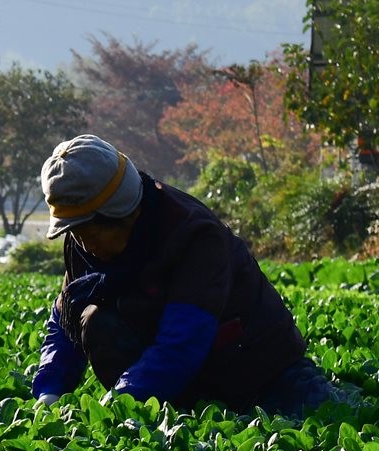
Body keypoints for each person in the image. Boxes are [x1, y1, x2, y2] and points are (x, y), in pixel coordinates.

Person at [30, 134, 340, 416]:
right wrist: (49, 392)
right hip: (175, 366)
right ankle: (173, 411)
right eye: (75, 232)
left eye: (90, 231)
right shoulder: (83, 242)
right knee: (97, 320)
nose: (84, 243)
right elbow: (65, 318)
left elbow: (183, 341)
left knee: (310, 411)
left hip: (253, 360)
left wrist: (121, 401)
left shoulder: (193, 235)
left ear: (123, 213)